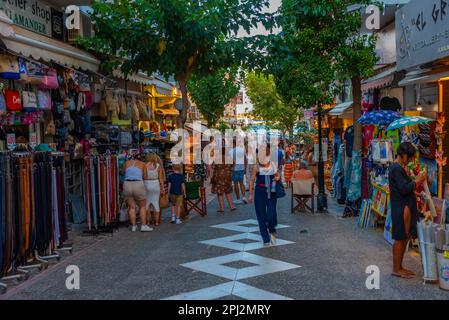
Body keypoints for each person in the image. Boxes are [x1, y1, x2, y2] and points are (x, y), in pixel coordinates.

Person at [388, 142, 426, 279]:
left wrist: (414, 191)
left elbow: (402, 188)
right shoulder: (396, 168)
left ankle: (399, 267)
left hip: (403, 206)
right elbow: (404, 189)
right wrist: (418, 180)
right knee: (400, 238)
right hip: (401, 208)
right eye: (409, 158)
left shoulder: (398, 168)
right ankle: (396, 268)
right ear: (403, 155)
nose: (410, 160)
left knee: (404, 237)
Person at [248, 144, 280, 246]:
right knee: (261, 216)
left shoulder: (273, 165)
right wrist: (250, 194)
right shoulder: (256, 167)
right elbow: (252, 180)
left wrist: (277, 178)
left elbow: (278, 175)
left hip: (272, 192)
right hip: (260, 192)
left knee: (271, 215)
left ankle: (272, 229)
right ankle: (265, 238)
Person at [122, 155, 152, 232]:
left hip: (127, 184)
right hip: (138, 183)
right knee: (142, 206)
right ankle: (143, 226)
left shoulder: (126, 163)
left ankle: (134, 226)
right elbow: (145, 177)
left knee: (131, 207)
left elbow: (123, 173)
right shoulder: (143, 164)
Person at [211, 147, 237, 213]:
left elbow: (213, 166)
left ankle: (222, 208)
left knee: (220, 192)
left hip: (219, 176)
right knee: (228, 191)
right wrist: (229, 169)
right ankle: (231, 206)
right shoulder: (229, 158)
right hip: (227, 176)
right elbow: (233, 164)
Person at [144, 153, 165, 226]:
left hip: (147, 184)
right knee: (156, 204)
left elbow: (144, 176)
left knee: (147, 205)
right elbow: (161, 178)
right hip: (155, 184)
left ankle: (148, 221)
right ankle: (156, 222)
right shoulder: (158, 166)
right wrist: (162, 188)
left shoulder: (144, 165)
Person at [230, 139, 247, 204]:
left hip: (235, 170)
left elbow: (231, 161)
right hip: (242, 169)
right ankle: (244, 197)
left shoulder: (231, 151)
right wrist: (245, 168)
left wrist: (231, 168)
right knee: (241, 183)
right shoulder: (242, 150)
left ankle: (238, 199)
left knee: (236, 184)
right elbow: (245, 159)